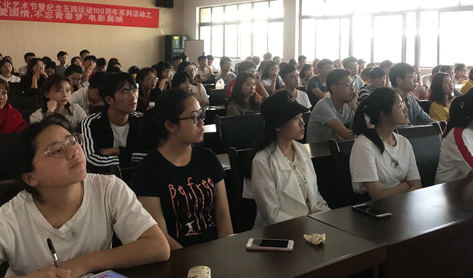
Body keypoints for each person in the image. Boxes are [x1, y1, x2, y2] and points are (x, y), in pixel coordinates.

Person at [0, 116, 170, 277]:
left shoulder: (108, 188)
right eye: (57, 151)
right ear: (30, 177)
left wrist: (83, 263)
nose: (74, 152)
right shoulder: (10, 219)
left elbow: (158, 247)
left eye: (73, 141)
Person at [130, 89, 233, 249]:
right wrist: (192, 260)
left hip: (215, 251)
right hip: (177, 256)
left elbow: (223, 216)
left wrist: (226, 250)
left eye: (201, 115)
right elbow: (160, 236)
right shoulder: (148, 171)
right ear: (170, 126)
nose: (201, 123)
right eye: (194, 117)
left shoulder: (208, 158)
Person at [243, 91, 329, 227]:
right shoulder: (262, 160)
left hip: (311, 227)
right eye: (295, 118)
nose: (302, 123)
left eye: (301, 116)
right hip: (281, 232)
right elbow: (272, 215)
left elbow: (315, 196)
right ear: (277, 126)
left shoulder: (302, 151)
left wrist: (327, 218)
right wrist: (306, 227)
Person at [350, 87, 422, 200]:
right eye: (400, 105)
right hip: (375, 207)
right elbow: (377, 196)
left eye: (403, 104)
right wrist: (405, 186)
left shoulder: (404, 142)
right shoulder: (364, 144)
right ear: (384, 115)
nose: (405, 109)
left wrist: (406, 191)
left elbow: (417, 185)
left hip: (403, 202)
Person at [81, 72, 146, 170]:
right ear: (109, 100)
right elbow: (91, 159)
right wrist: (131, 156)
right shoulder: (91, 122)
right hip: (104, 178)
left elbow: (153, 155)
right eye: (125, 92)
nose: (133, 97)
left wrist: (117, 150)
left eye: (134, 90)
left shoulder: (142, 120)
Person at [306, 69, 357, 143]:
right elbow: (346, 135)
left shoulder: (349, 105)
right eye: (347, 85)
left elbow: (368, 125)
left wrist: (354, 106)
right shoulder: (323, 105)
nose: (352, 89)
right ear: (334, 88)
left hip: (342, 148)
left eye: (352, 85)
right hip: (319, 149)